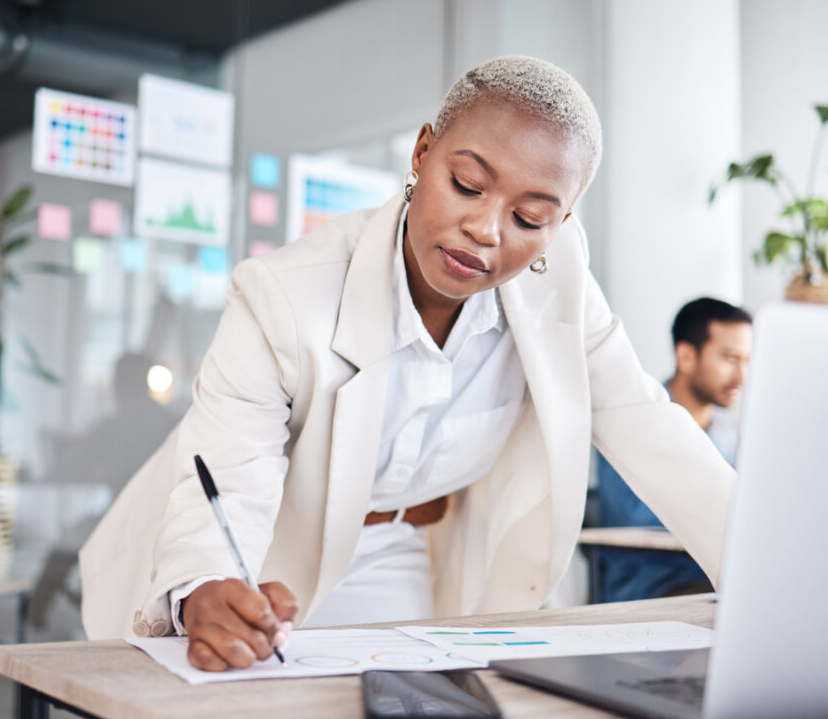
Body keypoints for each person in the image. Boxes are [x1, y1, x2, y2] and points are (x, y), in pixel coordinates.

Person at [79, 56, 735, 673]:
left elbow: (654, 430)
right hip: (268, 557)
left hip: (412, 558)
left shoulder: (558, 283)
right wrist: (207, 583)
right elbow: (228, 467)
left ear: (560, 225)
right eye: (467, 185)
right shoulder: (285, 295)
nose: (487, 228)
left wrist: (766, 576)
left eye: (530, 217)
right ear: (422, 152)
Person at [595, 298, 752, 602]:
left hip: (717, 585)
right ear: (686, 357)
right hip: (652, 590)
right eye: (730, 359)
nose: (741, 377)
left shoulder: (732, 431)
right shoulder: (633, 417)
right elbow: (633, 518)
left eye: (746, 361)